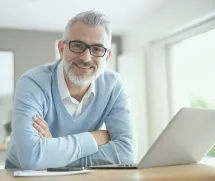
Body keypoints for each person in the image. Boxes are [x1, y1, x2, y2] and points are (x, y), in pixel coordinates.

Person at [5, 10, 135, 170]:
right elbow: (32, 158)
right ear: (61, 48)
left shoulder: (113, 86)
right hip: (21, 175)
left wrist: (52, 154)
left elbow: (126, 153)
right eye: (78, 46)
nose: (86, 58)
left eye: (97, 49)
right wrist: (93, 138)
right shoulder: (33, 83)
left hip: (83, 175)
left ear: (107, 56)